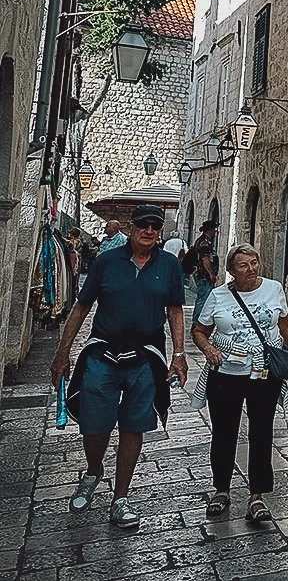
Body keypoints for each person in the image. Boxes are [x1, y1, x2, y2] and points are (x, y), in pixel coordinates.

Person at [50, 204, 186, 531]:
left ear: (160, 231)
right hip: (103, 353)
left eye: (155, 226)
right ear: (131, 226)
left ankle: (120, 498)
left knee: (133, 426)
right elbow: (82, 306)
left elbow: (175, 310)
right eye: (143, 225)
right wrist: (62, 351)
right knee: (94, 425)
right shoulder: (107, 261)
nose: (149, 231)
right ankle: (94, 470)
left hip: (145, 357)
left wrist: (179, 353)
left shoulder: (168, 265)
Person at [191, 244, 288, 522]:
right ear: (231, 271)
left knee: (262, 432)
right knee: (224, 432)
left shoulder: (274, 289)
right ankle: (222, 490)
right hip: (225, 373)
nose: (251, 269)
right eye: (243, 265)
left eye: (254, 263)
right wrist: (208, 349)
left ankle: (257, 496)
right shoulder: (217, 296)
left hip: (263, 373)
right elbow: (200, 330)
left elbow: (285, 325)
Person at [189, 220, 220, 319]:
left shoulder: (204, 241)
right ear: (210, 230)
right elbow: (204, 258)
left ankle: (198, 319)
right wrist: (211, 273)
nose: (215, 232)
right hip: (203, 275)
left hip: (203, 274)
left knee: (203, 297)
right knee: (203, 298)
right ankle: (197, 321)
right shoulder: (204, 242)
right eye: (214, 229)